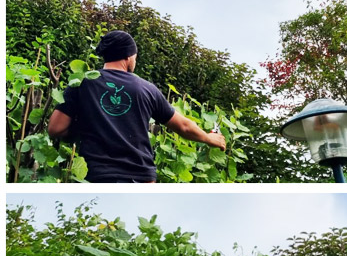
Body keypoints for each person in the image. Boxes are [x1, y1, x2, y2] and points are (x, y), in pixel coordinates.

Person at [47, 30, 227, 182]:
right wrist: (209, 138)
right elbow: (183, 126)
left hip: (96, 174)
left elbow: (56, 129)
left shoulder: (82, 83)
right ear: (129, 56)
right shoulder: (147, 89)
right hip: (141, 177)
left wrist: (85, 128)